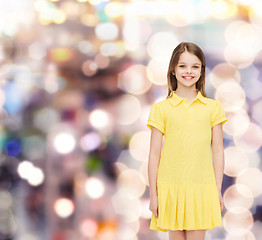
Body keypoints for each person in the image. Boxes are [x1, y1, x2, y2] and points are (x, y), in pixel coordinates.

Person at [147, 42, 227, 240]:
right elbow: (154, 154)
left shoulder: (212, 107)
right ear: (173, 70)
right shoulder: (161, 109)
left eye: (195, 66)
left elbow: (218, 151)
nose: (188, 71)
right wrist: (154, 195)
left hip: (201, 187)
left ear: (202, 71)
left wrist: (216, 189)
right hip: (170, 187)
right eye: (182, 66)